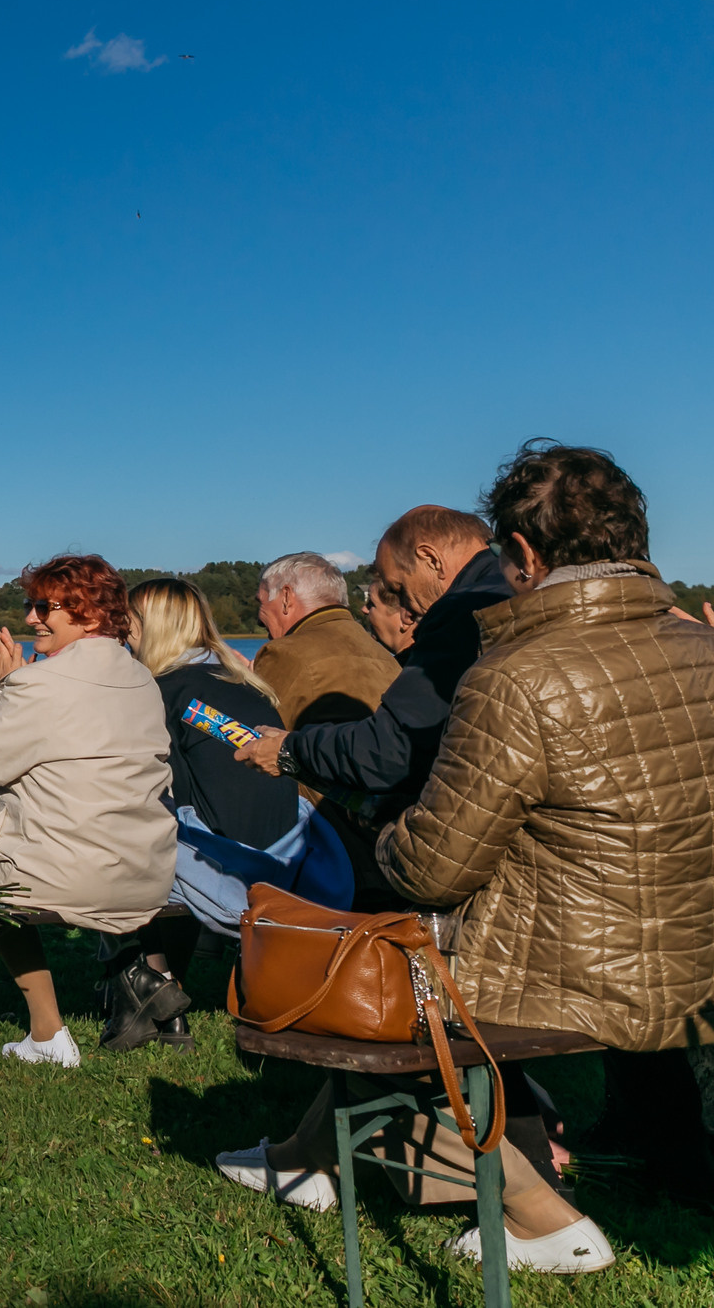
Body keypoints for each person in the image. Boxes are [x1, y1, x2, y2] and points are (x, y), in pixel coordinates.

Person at [224, 444, 714, 1273]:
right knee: (395, 949)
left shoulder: (514, 674)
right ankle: (307, 1158)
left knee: (384, 953)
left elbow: (431, 870)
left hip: (572, 963)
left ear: (523, 556)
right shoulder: (700, 649)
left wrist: (374, 830)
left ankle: (540, 1215)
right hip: (689, 951)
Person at [0, 554, 173, 1073]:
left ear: (87, 613)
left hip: (72, 874)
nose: (32, 618)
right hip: (145, 875)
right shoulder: (143, 681)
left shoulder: (42, 684)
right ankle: (47, 1034)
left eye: (43, 607)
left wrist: (3, 686)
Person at [236, 506, 514, 906]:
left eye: (398, 586)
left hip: (384, 851)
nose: (406, 609)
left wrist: (286, 749)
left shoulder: (461, 612)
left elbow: (390, 749)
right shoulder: (506, 595)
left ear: (431, 559)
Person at [116, 578, 301, 1048]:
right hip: (287, 859)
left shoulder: (161, 691)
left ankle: (149, 985)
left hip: (230, 866)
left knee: (116, 847)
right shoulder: (241, 682)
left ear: (156, 628)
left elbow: (158, 794)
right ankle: (161, 990)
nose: (123, 632)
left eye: (130, 623)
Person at [249, 551, 397, 727]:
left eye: (261, 602)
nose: (258, 618)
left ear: (286, 597)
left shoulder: (284, 653)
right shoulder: (387, 659)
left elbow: (253, 736)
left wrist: (245, 686)